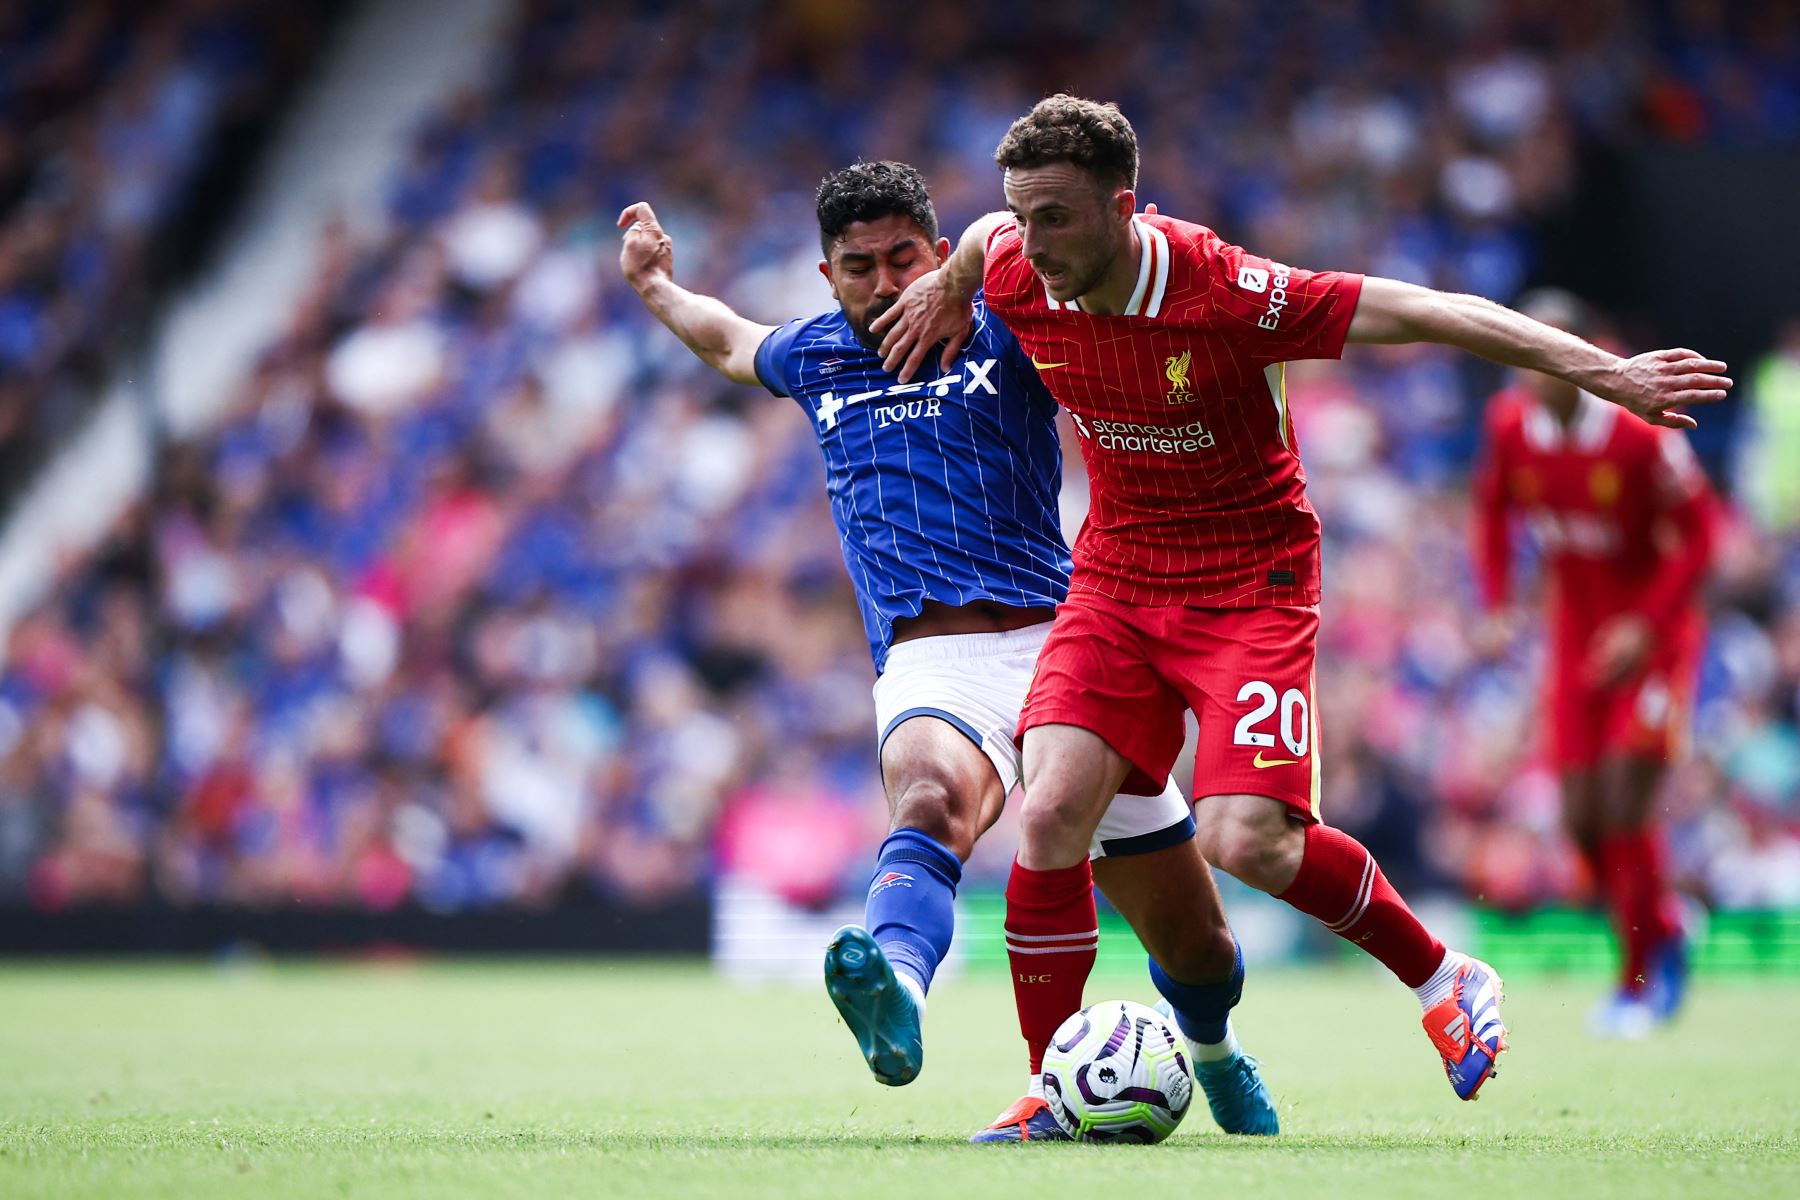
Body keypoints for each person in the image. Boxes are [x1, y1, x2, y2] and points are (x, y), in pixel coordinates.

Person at [874, 95, 1732, 1101]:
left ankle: (1447, 976)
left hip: (1250, 582)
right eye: (1023, 215)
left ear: (1126, 205)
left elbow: (1430, 312)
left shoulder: (1227, 289)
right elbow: (978, 240)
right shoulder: (1016, 263)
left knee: (1249, 841)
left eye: (1057, 216)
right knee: (1052, 809)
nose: (1035, 241)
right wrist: (953, 286)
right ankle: (1047, 1091)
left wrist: (1603, 373)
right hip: (1116, 575)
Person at [618, 161, 1277, 1141]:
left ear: (935, 252)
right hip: (932, 664)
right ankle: (897, 996)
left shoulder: (1007, 326)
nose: (883, 283)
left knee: (1199, 945)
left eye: (901, 258)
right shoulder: (815, 357)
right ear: (826, 274)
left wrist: (977, 267)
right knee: (928, 801)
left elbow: (1061, 251)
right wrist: (656, 287)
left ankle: (1215, 1052)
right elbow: (727, 342)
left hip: (1068, 650)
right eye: (857, 267)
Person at [1471, 288, 1717, 1038]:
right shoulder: (1512, 426)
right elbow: (1491, 511)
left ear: (1579, 356)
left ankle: (1639, 982)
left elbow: (1703, 534)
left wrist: (1644, 629)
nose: (1531, 367)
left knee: (1623, 804)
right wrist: (1499, 601)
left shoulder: (1640, 435)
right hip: (1576, 639)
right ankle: (1668, 924)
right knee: (1580, 825)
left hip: (1653, 641)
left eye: (1545, 351)